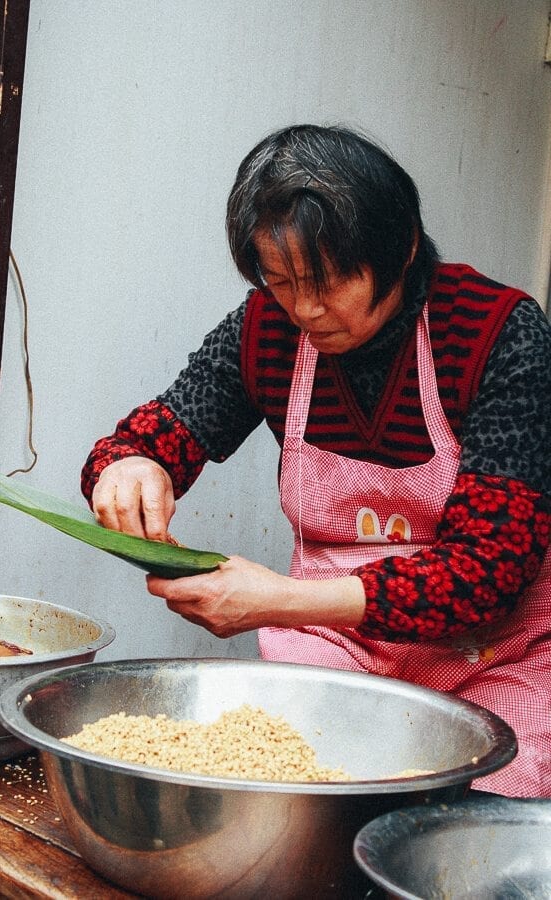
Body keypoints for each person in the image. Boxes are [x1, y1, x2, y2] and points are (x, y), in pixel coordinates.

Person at [82, 124, 551, 798]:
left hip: (494, 658)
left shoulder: (497, 334)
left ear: (402, 247)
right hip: (338, 649)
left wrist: (279, 601)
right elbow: (151, 435)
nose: (305, 309)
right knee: (302, 797)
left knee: (468, 823)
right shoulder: (267, 328)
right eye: (280, 282)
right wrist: (129, 466)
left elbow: (489, 570)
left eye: (328, 282)